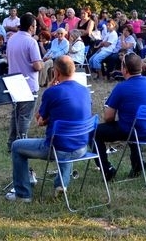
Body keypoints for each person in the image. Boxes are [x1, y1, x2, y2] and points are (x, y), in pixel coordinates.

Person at [5, 56, 90, 202]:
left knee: (17, 146)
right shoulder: (84, 90)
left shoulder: (53, 92)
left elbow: (39, 120)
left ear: (56, 73)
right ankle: (61, 184)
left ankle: (23, 194)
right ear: (74, 70)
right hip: (82, 147)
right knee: (67, 136)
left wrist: (50, 88)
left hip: (57, 148)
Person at [94, 53, 146, 180]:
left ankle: (107, 170)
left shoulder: (121, 87)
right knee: (131, 122)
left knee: (94, 132)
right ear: (140, 67)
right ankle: (138, 166)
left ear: (124, 69)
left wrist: (106, 107)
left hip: (136, 132)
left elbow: (108, 118)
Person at [5, 13, 43, 153]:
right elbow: (37, 66)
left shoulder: (12, 39)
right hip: (28, 83)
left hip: (13, 81)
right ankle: (22, 143)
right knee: (25, 116)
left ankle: (12, 143)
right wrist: (43, 64)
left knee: (15, 114)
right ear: (32, 27)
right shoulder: (31, 42)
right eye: (35, 26)